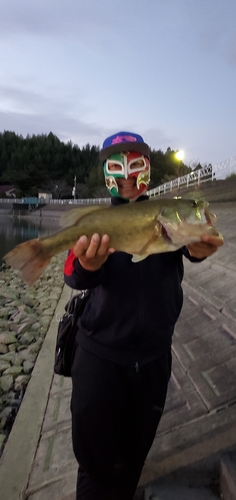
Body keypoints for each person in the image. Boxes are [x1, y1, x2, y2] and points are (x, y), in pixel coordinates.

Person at [64, 131, 223, 500]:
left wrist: (200, 249)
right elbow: (73, 274)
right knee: (94, 464)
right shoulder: (98, 219)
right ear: (106, 172)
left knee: (134, 455)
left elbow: (193, 250)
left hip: (153, 358)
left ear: (147, 169)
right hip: (99, 358)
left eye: (136, 165)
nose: (128, 175)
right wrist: (88, 266)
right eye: (118, 166)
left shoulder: (168, 215)